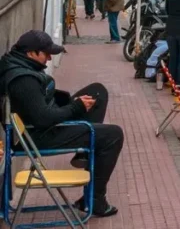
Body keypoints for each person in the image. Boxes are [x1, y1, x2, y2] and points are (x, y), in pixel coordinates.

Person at [0, 30, 124, 217]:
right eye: (46, 53)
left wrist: (71, 103)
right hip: (37, 136)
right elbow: (43, 118)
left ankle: (82, 153)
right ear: (31, 53)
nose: (50, 58)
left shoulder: (17, 65)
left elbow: (38, 106)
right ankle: (95, 201)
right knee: (113, 135)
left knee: (97, 92)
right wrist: (75, 107)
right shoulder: (23, 79)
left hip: (39, 125)